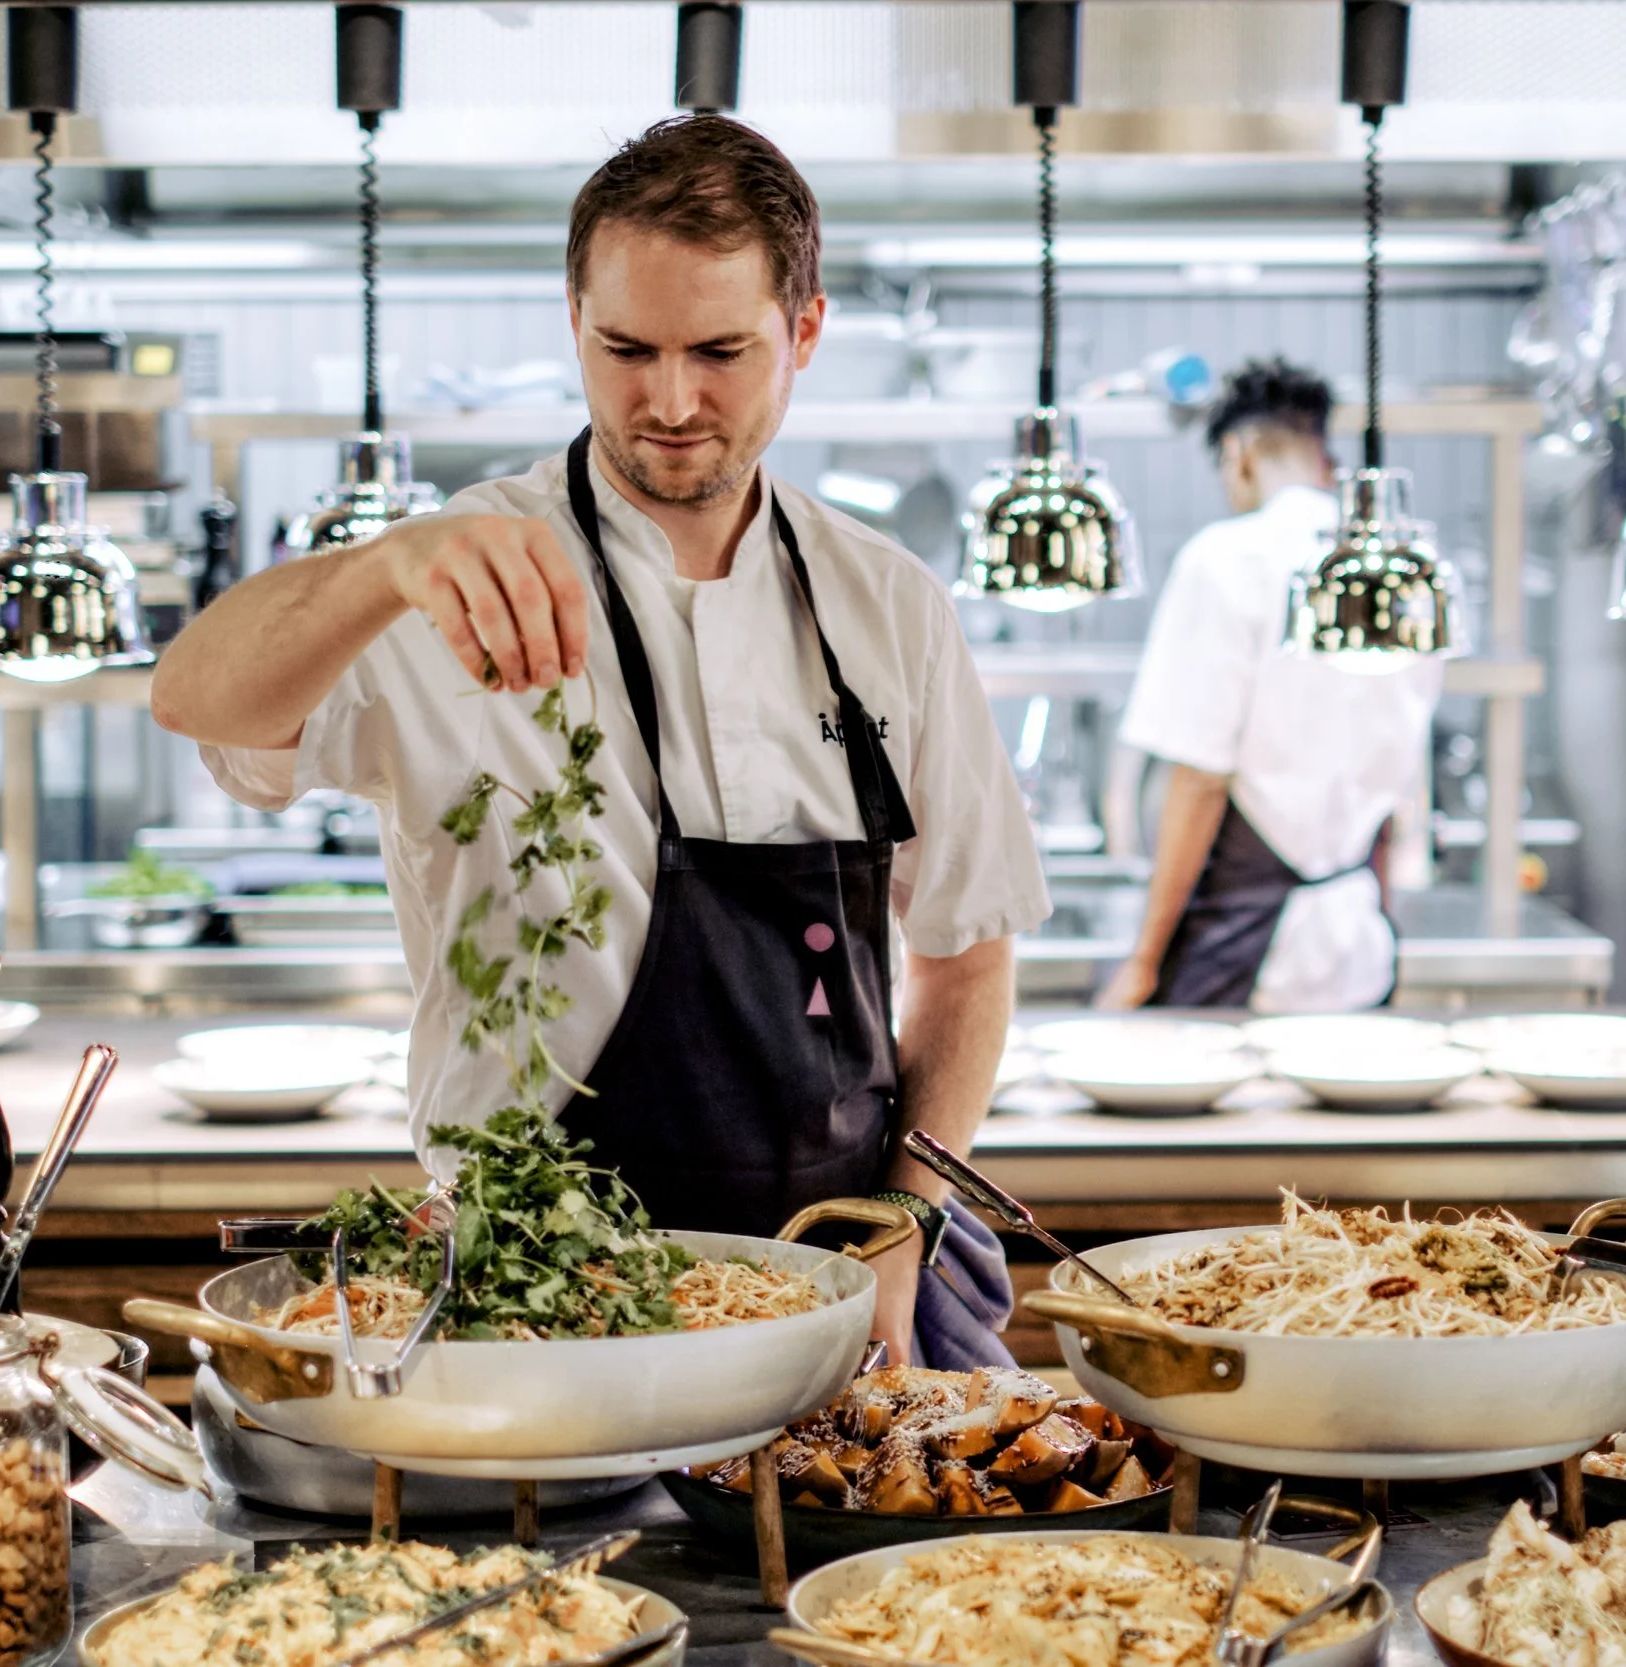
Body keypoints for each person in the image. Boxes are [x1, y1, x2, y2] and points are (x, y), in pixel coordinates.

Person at [152, 116, 1049, 1368]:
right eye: (625, 348)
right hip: (543, 1285)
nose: (669, 401)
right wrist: (382, 564)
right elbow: (196, 697)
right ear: (572, 322)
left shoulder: (884, 599)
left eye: (720, 351)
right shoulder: (454, 575)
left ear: (803, 333)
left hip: (857, 1271)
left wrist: (903, 1217)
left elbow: (965, 952)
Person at [1098, 358, 1441, 1014]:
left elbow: (1198, 781)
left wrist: (1142, 963)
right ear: (1325, 458)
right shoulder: (1408, 572)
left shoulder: (1227, 558)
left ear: (1240, 454)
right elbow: (1395, 793)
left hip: (1248, 950)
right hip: (1360, 943)